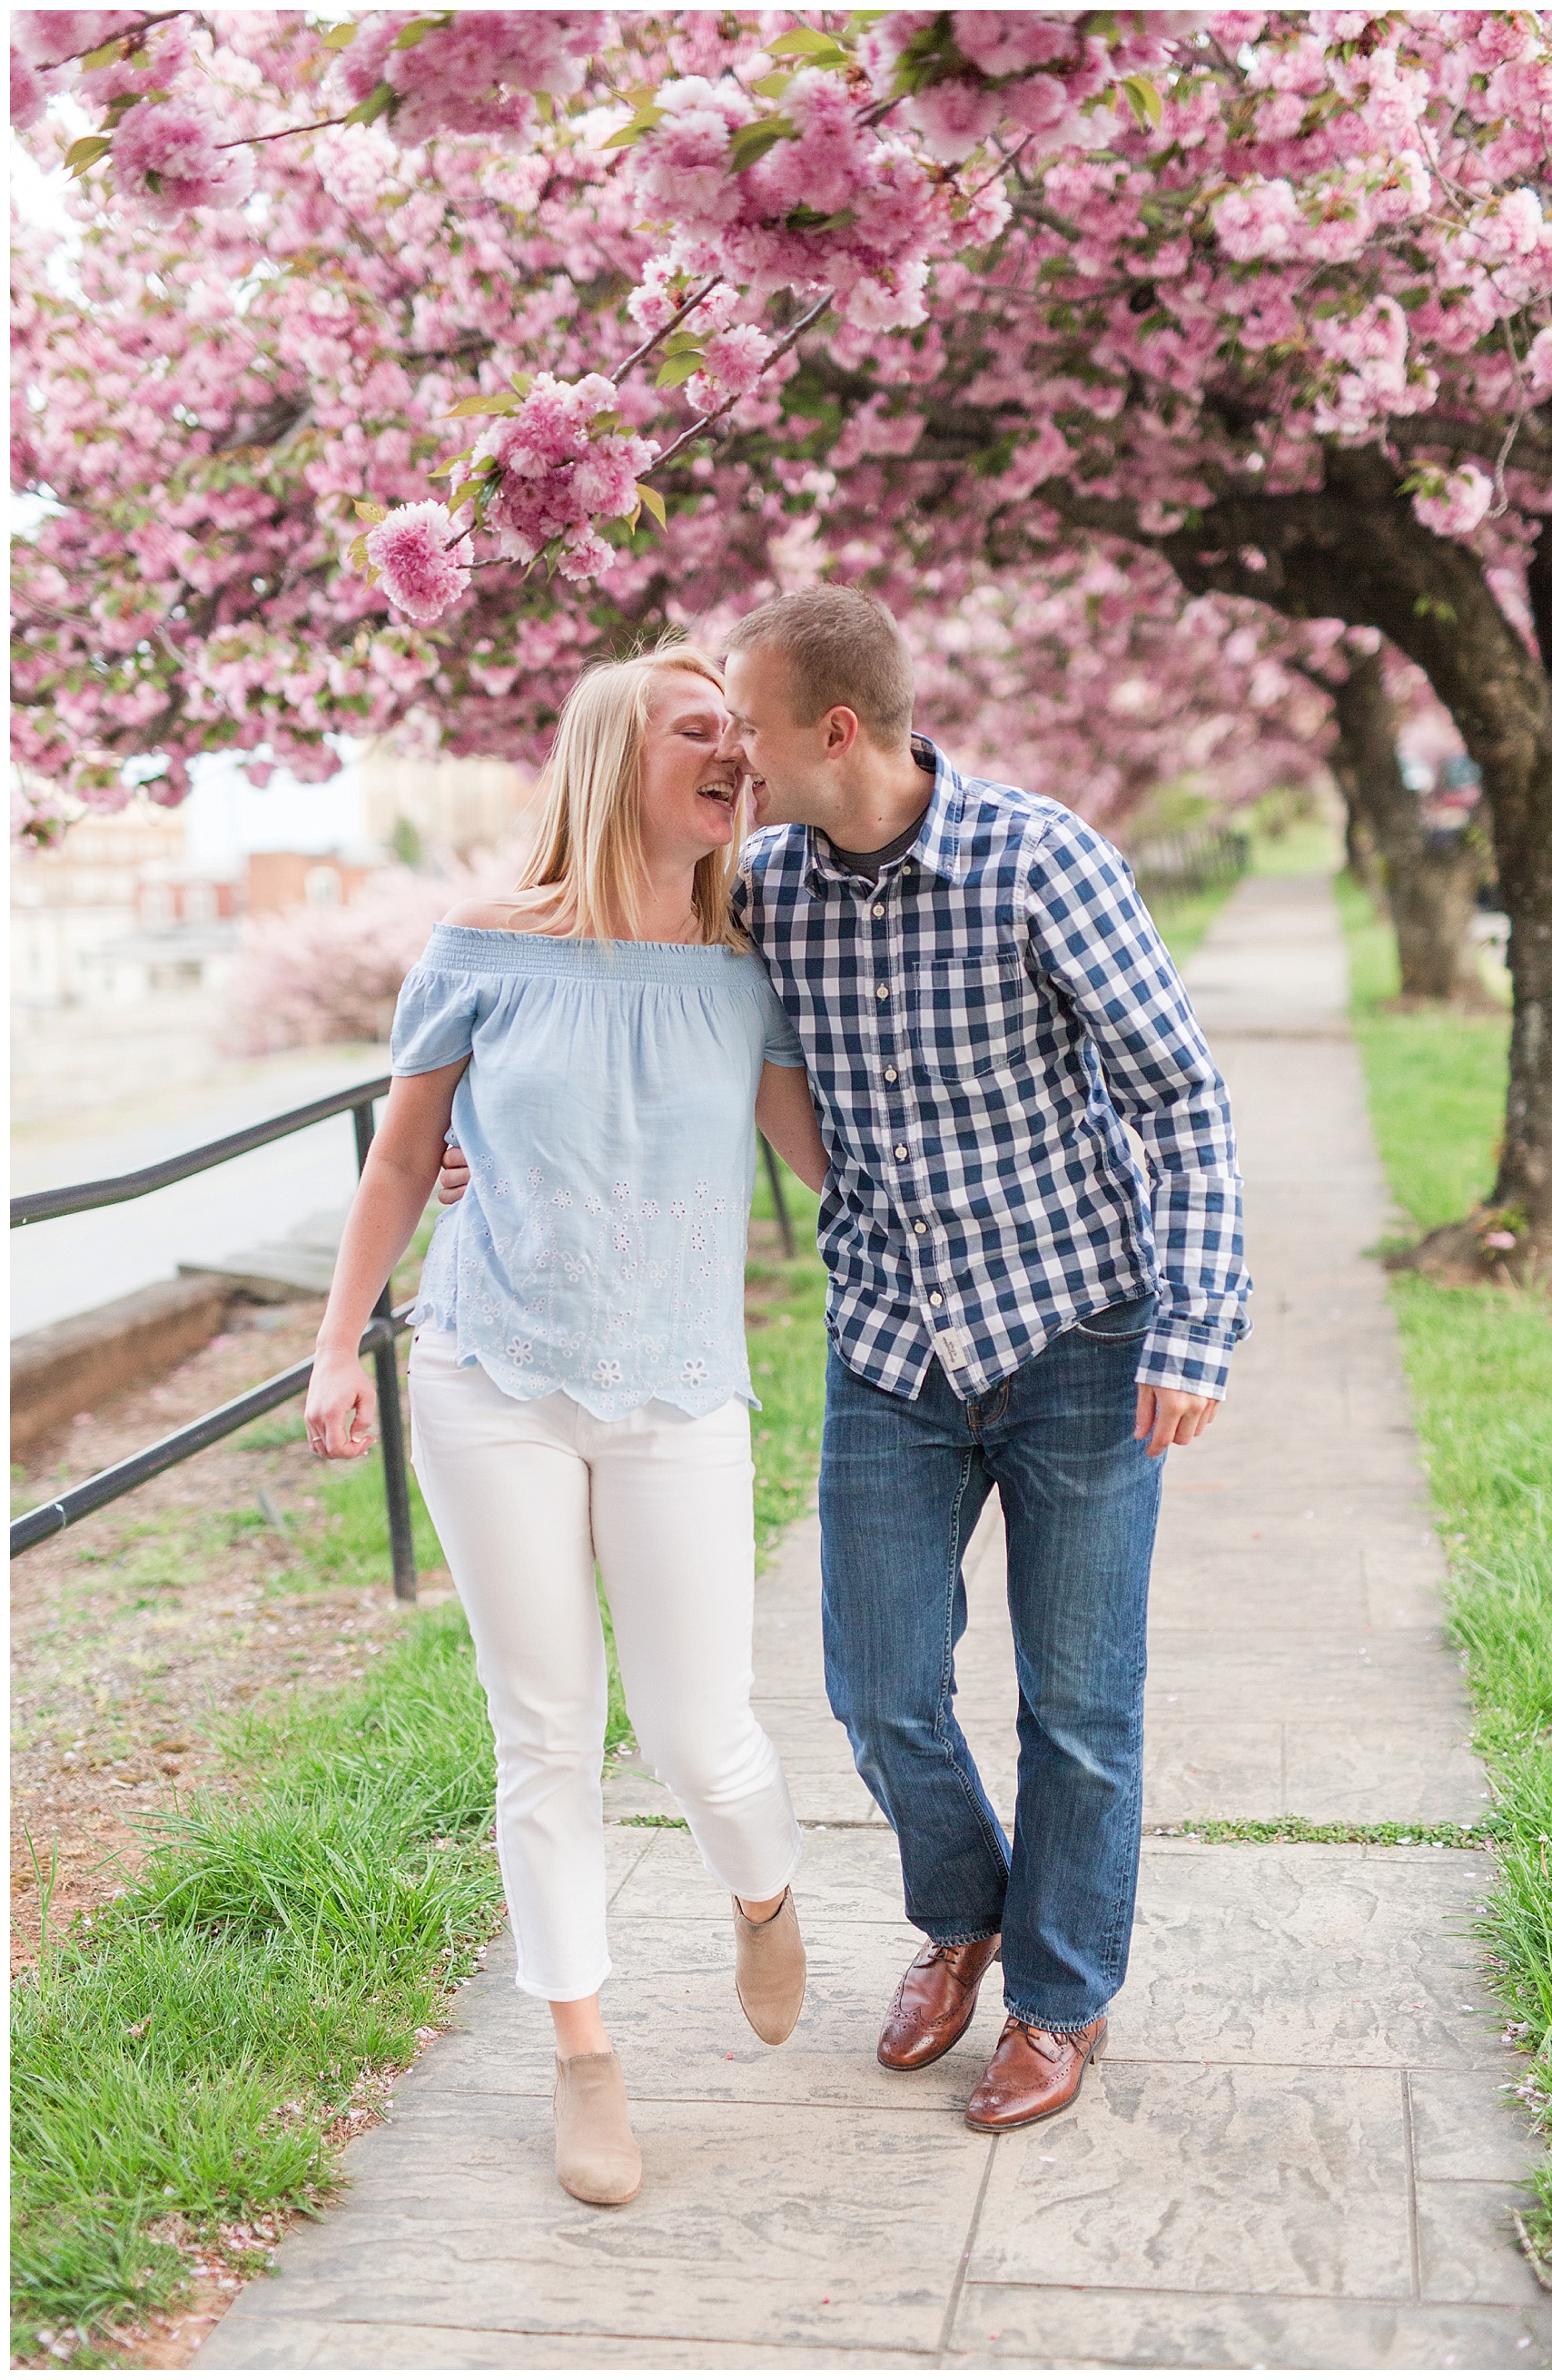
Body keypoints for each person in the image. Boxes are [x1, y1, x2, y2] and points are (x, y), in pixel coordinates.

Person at [441, 588, 1252, 2136]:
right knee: (876, 1687)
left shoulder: (1041, 860)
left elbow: (1185, 1100)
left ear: (831, 730)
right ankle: (964, 1909)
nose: (730, 753)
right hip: (893, 1342)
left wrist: (1196, 1327)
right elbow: (620, 1022)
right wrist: (487, 1155)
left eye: (745, 722)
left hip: (1081, 1330)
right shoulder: (772, 898)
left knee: (1081, 1703)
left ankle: (1056, 1996)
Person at [305, 644, 830, 2208]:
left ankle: (764, 1884)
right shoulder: (477, 944)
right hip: (487, 1372)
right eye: (701, 731)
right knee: (542, 1731)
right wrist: (341, 1344)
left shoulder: (753, 966)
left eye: (744, 735)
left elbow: (823, 1154)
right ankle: (585, 2059)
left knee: (696, 1726)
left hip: (676, 1390)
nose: (735, 754)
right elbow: (404, 1161)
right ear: (617, 754)